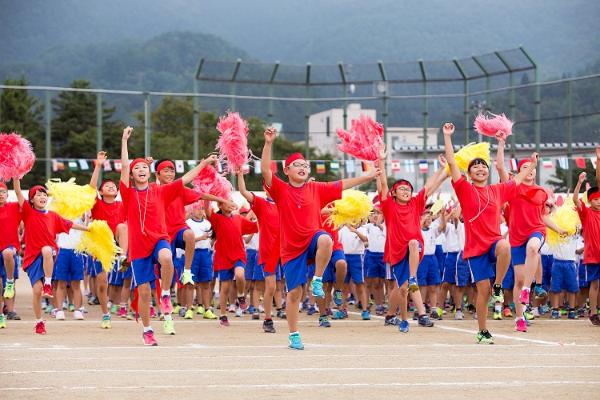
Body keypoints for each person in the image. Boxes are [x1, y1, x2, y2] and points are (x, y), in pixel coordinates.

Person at [261, 126, 380, 350]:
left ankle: (317, 279)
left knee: (326, 239)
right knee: (294, 293)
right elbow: (266, 170)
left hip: (312, 239)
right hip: (290, 249)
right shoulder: (280, 189)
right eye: (298, 164)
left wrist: (367, 176)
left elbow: (343, 184)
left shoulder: (316, 188)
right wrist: (268, 143)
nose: (304, 167)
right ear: (287, 170)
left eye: (306, 165)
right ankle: (294, 334)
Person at [443, 122, 538, 343]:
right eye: (475, 166)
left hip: (494, 242)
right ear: (469, 172)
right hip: (475, 249)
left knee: (505, 246)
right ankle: (483, 330)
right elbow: (451, 161)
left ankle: (499, 284)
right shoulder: (464, 188)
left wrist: (531, 165)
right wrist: (447, 136)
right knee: (482, 292)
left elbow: (518, 178)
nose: (480, 168)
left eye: (483, 166)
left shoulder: (497, 190)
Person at [119, 126, 216, 345]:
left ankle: (164, 294)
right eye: (138, 168)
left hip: (158, 238)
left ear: (148, 171)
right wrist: (124, 141)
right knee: (143, 293)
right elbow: (124, 165)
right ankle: (147, 329)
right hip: (137, 247)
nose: (141, 169)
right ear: (133, 175)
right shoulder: (128, 193)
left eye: (144, 166)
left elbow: (185, 179)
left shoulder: (160, 191)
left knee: (166, 258)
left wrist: (203, 164)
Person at [496, 139, 566, 332]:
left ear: (536, 171)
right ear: (519, 172)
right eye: (525, 167)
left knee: (534, 248)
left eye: (532, 167)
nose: (530, 170)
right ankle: (520, 317)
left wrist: (558, 229)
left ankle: (528, 289)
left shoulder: (542, 192)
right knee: (518, 279)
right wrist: (501, 143)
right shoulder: (513, 188)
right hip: (516, 237)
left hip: (536, 230)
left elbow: (543, 216)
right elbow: (500, 167)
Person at [377, 144, 448, 333]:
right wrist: (381, 160)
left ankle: (422, 314)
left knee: (410, 276)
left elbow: (430, 187)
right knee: (400, 288)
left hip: (414, 249)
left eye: (408, 188)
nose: (406, 191)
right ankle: (391, 315)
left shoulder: (416, 204)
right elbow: (383, 184)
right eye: (401, 189)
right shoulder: (389, 206)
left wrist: (441, 168)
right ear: (394, 193)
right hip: (397, 250)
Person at [14, 179, 89, 334]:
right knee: (36, 291)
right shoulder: (28, 211)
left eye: (44, 195)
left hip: (49, 254)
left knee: (47, 250)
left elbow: (69, 224)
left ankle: (48, 283)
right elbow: (18, 192)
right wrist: (16, 178)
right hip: (32, 258)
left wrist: (88, 229)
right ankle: (39, 321)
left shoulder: (53, 215)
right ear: (32, 199)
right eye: (38, 195)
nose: (42, 197)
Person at [237, 171, 282, 332]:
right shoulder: (262, 204)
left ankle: (289, 317)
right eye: (270, 185)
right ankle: (268, 319)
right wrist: (240, 175)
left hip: (286, 251)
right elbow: (243, 191)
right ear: (266, 188)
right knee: (270, 287)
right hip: (269, 251)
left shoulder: (285, 202)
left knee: (291, 286)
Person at [203, 197, 257, 327]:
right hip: (223, 256)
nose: (231, 203)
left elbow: (255, 227)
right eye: (227, 201)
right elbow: (206, 208)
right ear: (220, 205)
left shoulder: (238, 218)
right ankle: (223, 315)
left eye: (231, 200)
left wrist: (262, 214)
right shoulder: (216, 218)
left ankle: (241, 295)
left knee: (239, 275)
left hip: (238, 254)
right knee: (225, 288)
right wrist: (209, 192)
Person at [573, 170, 600, 326]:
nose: (598, 201)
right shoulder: (587, 213)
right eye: (595, 199)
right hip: (592, 255)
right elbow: (575, 199)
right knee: (594, 284)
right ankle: (593, 312)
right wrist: (579, 182)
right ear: (590, 201)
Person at [186, 206, 217, 320]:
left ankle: (207, 309)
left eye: (202, 208)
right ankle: (189, 309)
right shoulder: (187, 223)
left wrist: (210, 245)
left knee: (206, 283)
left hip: (205, 254)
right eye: (197, 208)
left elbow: (213, 238)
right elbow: (186, 240)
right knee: (190, 283)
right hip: (192, 253)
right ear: (192, 210)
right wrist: (200, 238)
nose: (200, 211)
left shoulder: (208, 224)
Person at [339, 222, 370, 320]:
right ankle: (342, 309)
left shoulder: (362, 228)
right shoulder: (343, 229)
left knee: (360, 284)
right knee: (344, 286)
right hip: (344, 256)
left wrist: (355, 231)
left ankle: (365, 310)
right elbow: (337, 241)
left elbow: (365, 239)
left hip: (357, 257)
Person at [363, 206, 387, 315]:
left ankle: (380, 304)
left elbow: (387, 233)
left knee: (380, 282)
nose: (376, 215)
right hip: (371, 255)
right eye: (374, 213)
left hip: (383, 256)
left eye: (379, 213)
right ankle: (365, 304)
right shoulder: (367, 226)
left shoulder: (386, 226)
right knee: (369, 281)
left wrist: (379, 225)